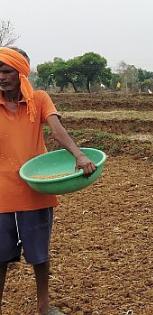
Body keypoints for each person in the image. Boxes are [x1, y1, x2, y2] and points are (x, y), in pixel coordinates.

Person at [0, 47, 96, 315]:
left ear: (21, 73)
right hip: (1, 191)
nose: (1, 76)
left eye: (7, 71)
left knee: (39, 254)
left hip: (35, 187)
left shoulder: (39, 99)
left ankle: (44, 306)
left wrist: (78, 155)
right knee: (0, 255)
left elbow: (57, 130)